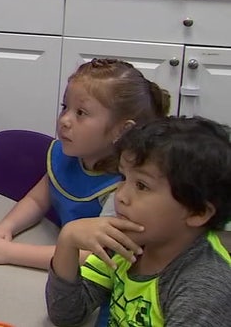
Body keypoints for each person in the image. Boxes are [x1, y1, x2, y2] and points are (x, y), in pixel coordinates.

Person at [0, 59, 171, 269]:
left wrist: (8, 252)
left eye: (81, 113)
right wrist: (4, 229)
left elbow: (91, 257)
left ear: (121, 130)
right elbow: (37, 200)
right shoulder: (67, 154)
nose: (64, 120)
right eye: (65, 107)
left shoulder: (125, 188)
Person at [46, 116, 231, 326]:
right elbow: (66, 314)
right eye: (124, 178)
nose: (121, 195)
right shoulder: (124, 243)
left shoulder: (203, 288)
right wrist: (68, 240)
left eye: (142, 186)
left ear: (197, 212)